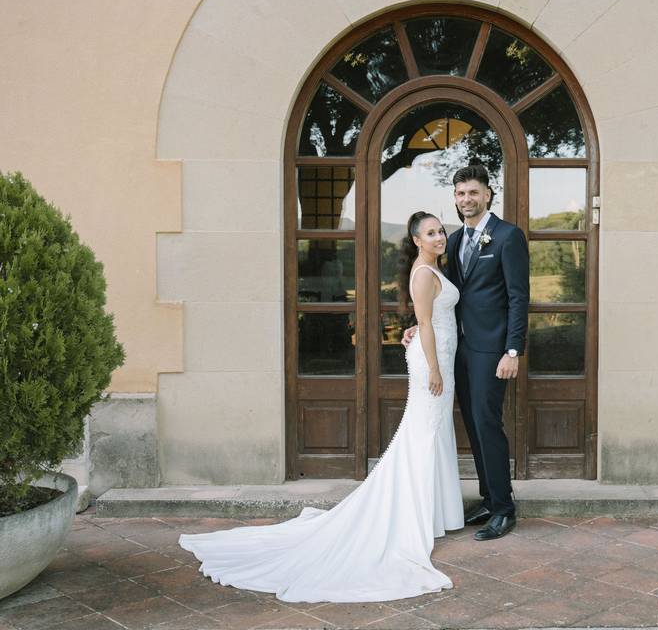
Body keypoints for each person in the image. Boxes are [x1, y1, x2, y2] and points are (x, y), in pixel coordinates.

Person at [177, 211, 463, 603]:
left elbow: (424, 321)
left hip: (442, 355)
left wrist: (424, 341)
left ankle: (436, 513)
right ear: (416, 240)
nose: (439, 236)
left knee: (432, 432)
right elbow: (427, 324)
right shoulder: (422, 273)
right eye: (430, 233)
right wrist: (432, 366)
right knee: (423, 434)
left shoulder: (433, 270)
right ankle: (413, 516)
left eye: (441, 230)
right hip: (433, 361)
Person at [403, 165, 530, 541]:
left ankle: (505, 508)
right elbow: (445, 296)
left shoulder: (508, 237)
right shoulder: (455, 241)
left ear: (488, 195)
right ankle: (488, 499)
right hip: (459, 351)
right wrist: (418, 323)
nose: (466, 199)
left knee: (488, 423)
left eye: (473, 192)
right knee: (473, 424)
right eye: (460, 194)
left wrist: (513, 349)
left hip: (493, 350)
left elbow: (519, 298)